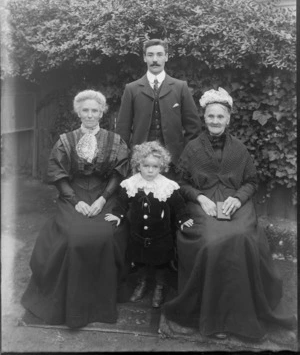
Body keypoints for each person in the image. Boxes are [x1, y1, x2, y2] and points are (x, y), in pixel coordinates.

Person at [160, 88, 296, 341]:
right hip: (201, 204)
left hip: (235, 202)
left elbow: (252, 181)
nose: (214, 121)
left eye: (219, 117)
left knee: (243, 237)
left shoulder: (240, 149)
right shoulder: (192, 148)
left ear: (228, 119)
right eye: (210, 116)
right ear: (204, 117)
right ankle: (214, 316)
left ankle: (242, 315)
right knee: (211, 242)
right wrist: (200, 198)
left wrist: (237, 198)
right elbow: (182, 183)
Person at [21, 90, 130, 329]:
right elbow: (58, 175)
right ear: (78, 112)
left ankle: (102, 302)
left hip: (105, 194)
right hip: (73, 193)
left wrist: (102, 200)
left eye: (94, 110)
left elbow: (118, 174)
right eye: (85, 110)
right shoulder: (65, 141)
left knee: (106, 234)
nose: (90, 115)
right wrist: (75, 200)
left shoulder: (115, 140)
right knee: (73, 236)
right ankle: (68, 304)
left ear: (102, 112)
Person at [105, 141, 193, 308]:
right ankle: (142, 283)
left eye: (155, 167)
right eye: (146, 166)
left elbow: (178, 204)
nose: (150, 170)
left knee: (161, 262)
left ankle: (160, 287)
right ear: (139, 166)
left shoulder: (167, 186)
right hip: (138, 235)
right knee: (140, 260)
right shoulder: (132, 184)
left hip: (161, 236)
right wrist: (118, 214)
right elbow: (122, 202)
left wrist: (183, 218)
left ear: (162, 167)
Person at [116, 38, 201, 167]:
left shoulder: (180, 87)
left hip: (174, 162)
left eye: (159, 54)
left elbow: (193, 128)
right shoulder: (131, 89)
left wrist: (185, 155)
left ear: (166, 57)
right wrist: (127, 158)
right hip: (140, 162)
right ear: (144, 58)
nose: (155, 59)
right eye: (150, 55)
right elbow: (123, 129)